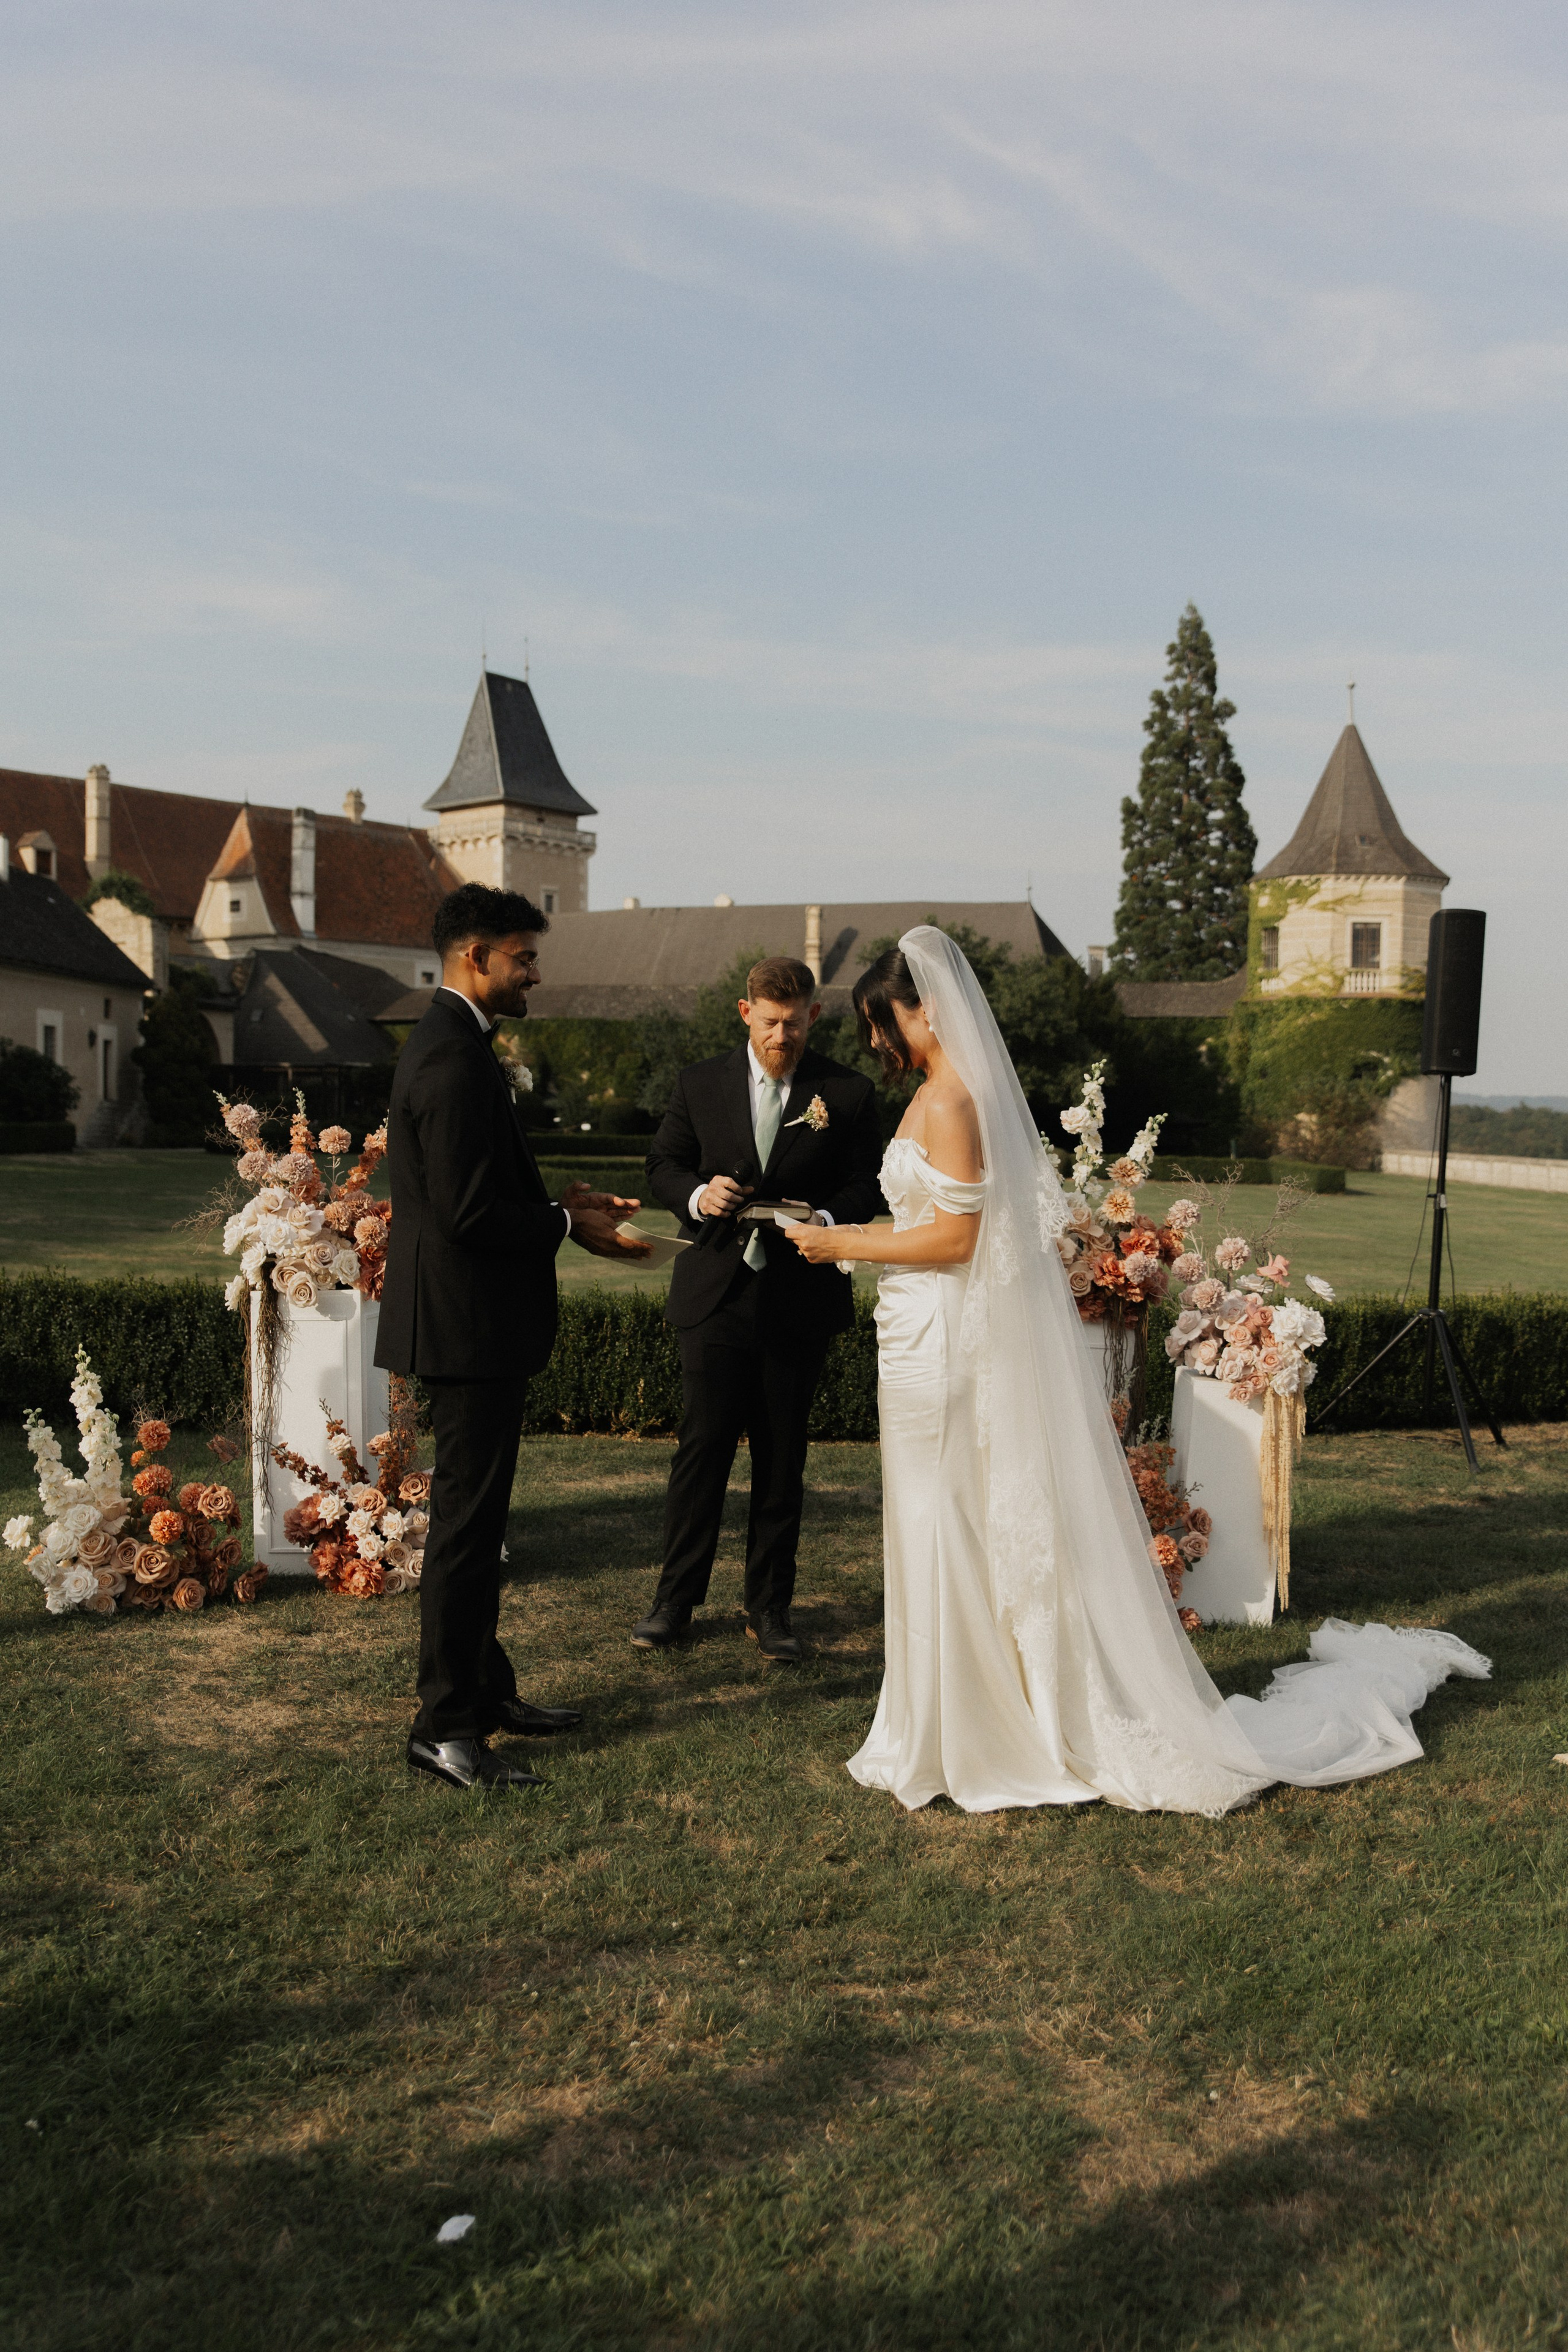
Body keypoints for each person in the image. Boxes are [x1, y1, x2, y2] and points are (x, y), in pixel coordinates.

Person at [785, 927, 1490, 1814]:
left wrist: (839, 1242)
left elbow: (960, 1239)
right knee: (929, 1516)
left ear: (925, 1008)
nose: (881, 1040)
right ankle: (933, 1713)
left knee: (944, 1516)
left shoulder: (955, 1101)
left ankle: (974, 1723)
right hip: (915, 1330)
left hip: (941, 1339)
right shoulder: (938, 1091)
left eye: (886, 1022)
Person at [377, 883, 649, 1793]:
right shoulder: (452, 1061)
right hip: (467, 1330)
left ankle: (486, 1695)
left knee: (478, 1525)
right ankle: (444, 1726)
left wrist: (562, 1205)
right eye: (524, 958)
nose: (536, 973)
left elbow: (484, 1190)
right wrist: (568, 1228)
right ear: (476, 956)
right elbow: (463, 1214)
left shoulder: (457, 1046)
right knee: (463, 1533)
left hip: (470, 1324)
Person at [635, 955, 884, 1659]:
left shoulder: (848, 1091)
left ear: (813, 1017)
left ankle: (771, 1611)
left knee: (783, 1461)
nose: (784, 1037)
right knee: (701, 1455)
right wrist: (696, 1196)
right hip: (715, 1292)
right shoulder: (699, 1083)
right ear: (746, 1014)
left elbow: (871, 1181)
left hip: (797, 1295)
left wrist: (830, 1220)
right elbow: (662, 1166)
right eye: (771, 1023)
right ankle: (673, 1603)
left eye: (796, 1024)